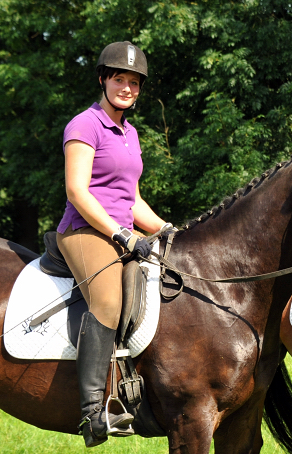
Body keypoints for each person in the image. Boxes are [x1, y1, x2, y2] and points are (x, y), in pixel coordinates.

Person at [56, 41, 170, 447]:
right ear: (103, 79)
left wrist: (167, 229)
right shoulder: (84, 125)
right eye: (119, 79)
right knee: (108, 300)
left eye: (134, 82)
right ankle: (91, 412)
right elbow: (77, 190)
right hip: (84, 231)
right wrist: (120, 234)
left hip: (123, 230)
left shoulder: (130, 132)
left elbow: (132, 200)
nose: (127, 87)